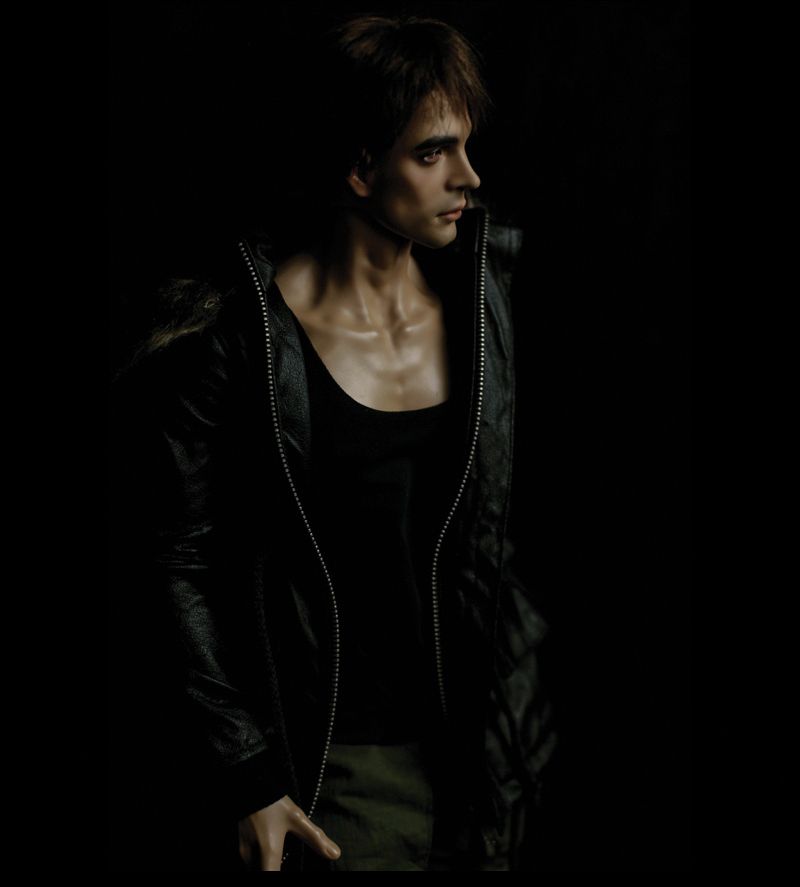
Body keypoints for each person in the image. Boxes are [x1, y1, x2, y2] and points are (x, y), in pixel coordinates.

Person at [108, 13, 557, 872]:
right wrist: (247, 771)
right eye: (433, 153)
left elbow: (512, 543)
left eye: (466, 146)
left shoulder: (486, 309)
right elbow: (173, 560)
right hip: (336, 769)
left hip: (481, 770)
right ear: (360, 168)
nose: (468, 176)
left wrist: (523, 733)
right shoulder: (244, 339)